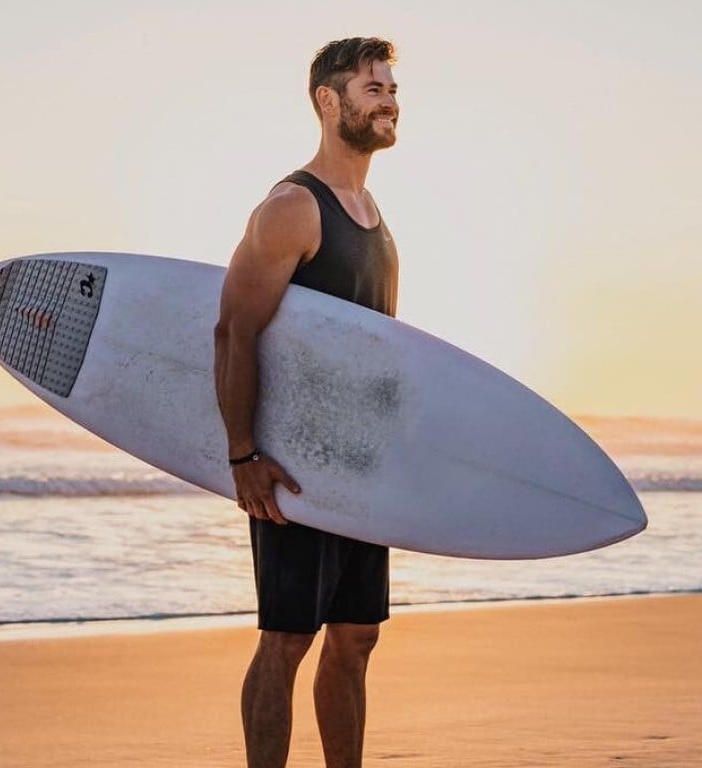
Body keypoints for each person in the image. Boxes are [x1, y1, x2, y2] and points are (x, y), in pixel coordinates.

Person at [214, 36, 400, 768]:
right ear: (330, 102)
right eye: (373, 89)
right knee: (287, 638)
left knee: (356, 636)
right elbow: (235, 329)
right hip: (295, 464)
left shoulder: (371, 209)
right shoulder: (293, 207)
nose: (389, 101)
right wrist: (242, 455)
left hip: (361, 466)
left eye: (389, 89)